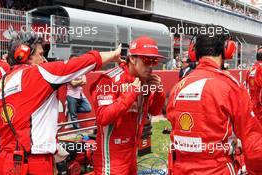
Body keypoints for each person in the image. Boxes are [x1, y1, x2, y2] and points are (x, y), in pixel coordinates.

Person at [0, 32, 122, 175]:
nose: (43, 59)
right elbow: (80, 63)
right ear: (25, 55)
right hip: (33, 163)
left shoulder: (2, 82)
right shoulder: (38, 73)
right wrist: (114, 54)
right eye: (40, 54)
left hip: (5, 160)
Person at [167, 24, 262, 175]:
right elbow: (254, 145)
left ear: (193, 52)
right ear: (228, 49)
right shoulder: (231, 86)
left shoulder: (178, 87)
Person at [91, 36, 166, 175]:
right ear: (132, 59)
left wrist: (159, 91)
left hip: (132, 153)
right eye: (147, 60)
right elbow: (103, 117)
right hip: (112, 158)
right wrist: (130, 94)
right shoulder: (109, 80)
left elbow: (155, 111)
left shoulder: (143, 81)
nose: (151, 66)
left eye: (154, 61)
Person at [66, 55, 92, 129]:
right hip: (71, 94)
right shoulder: (68, 71)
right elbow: (73, 84)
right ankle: (77, 130)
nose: (76, 62)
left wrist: (77, 82)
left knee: (88, 108)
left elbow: (85, 82)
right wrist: (80, 82)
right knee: (74, 115)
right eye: (74, 60)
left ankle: (71, 110)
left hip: (80, 94)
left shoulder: (81, 70)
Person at [246, 45, 262, 123]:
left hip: (252, 104)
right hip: (259, 106)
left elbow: (247, 85)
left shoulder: (251, 68)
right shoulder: (261, 68)